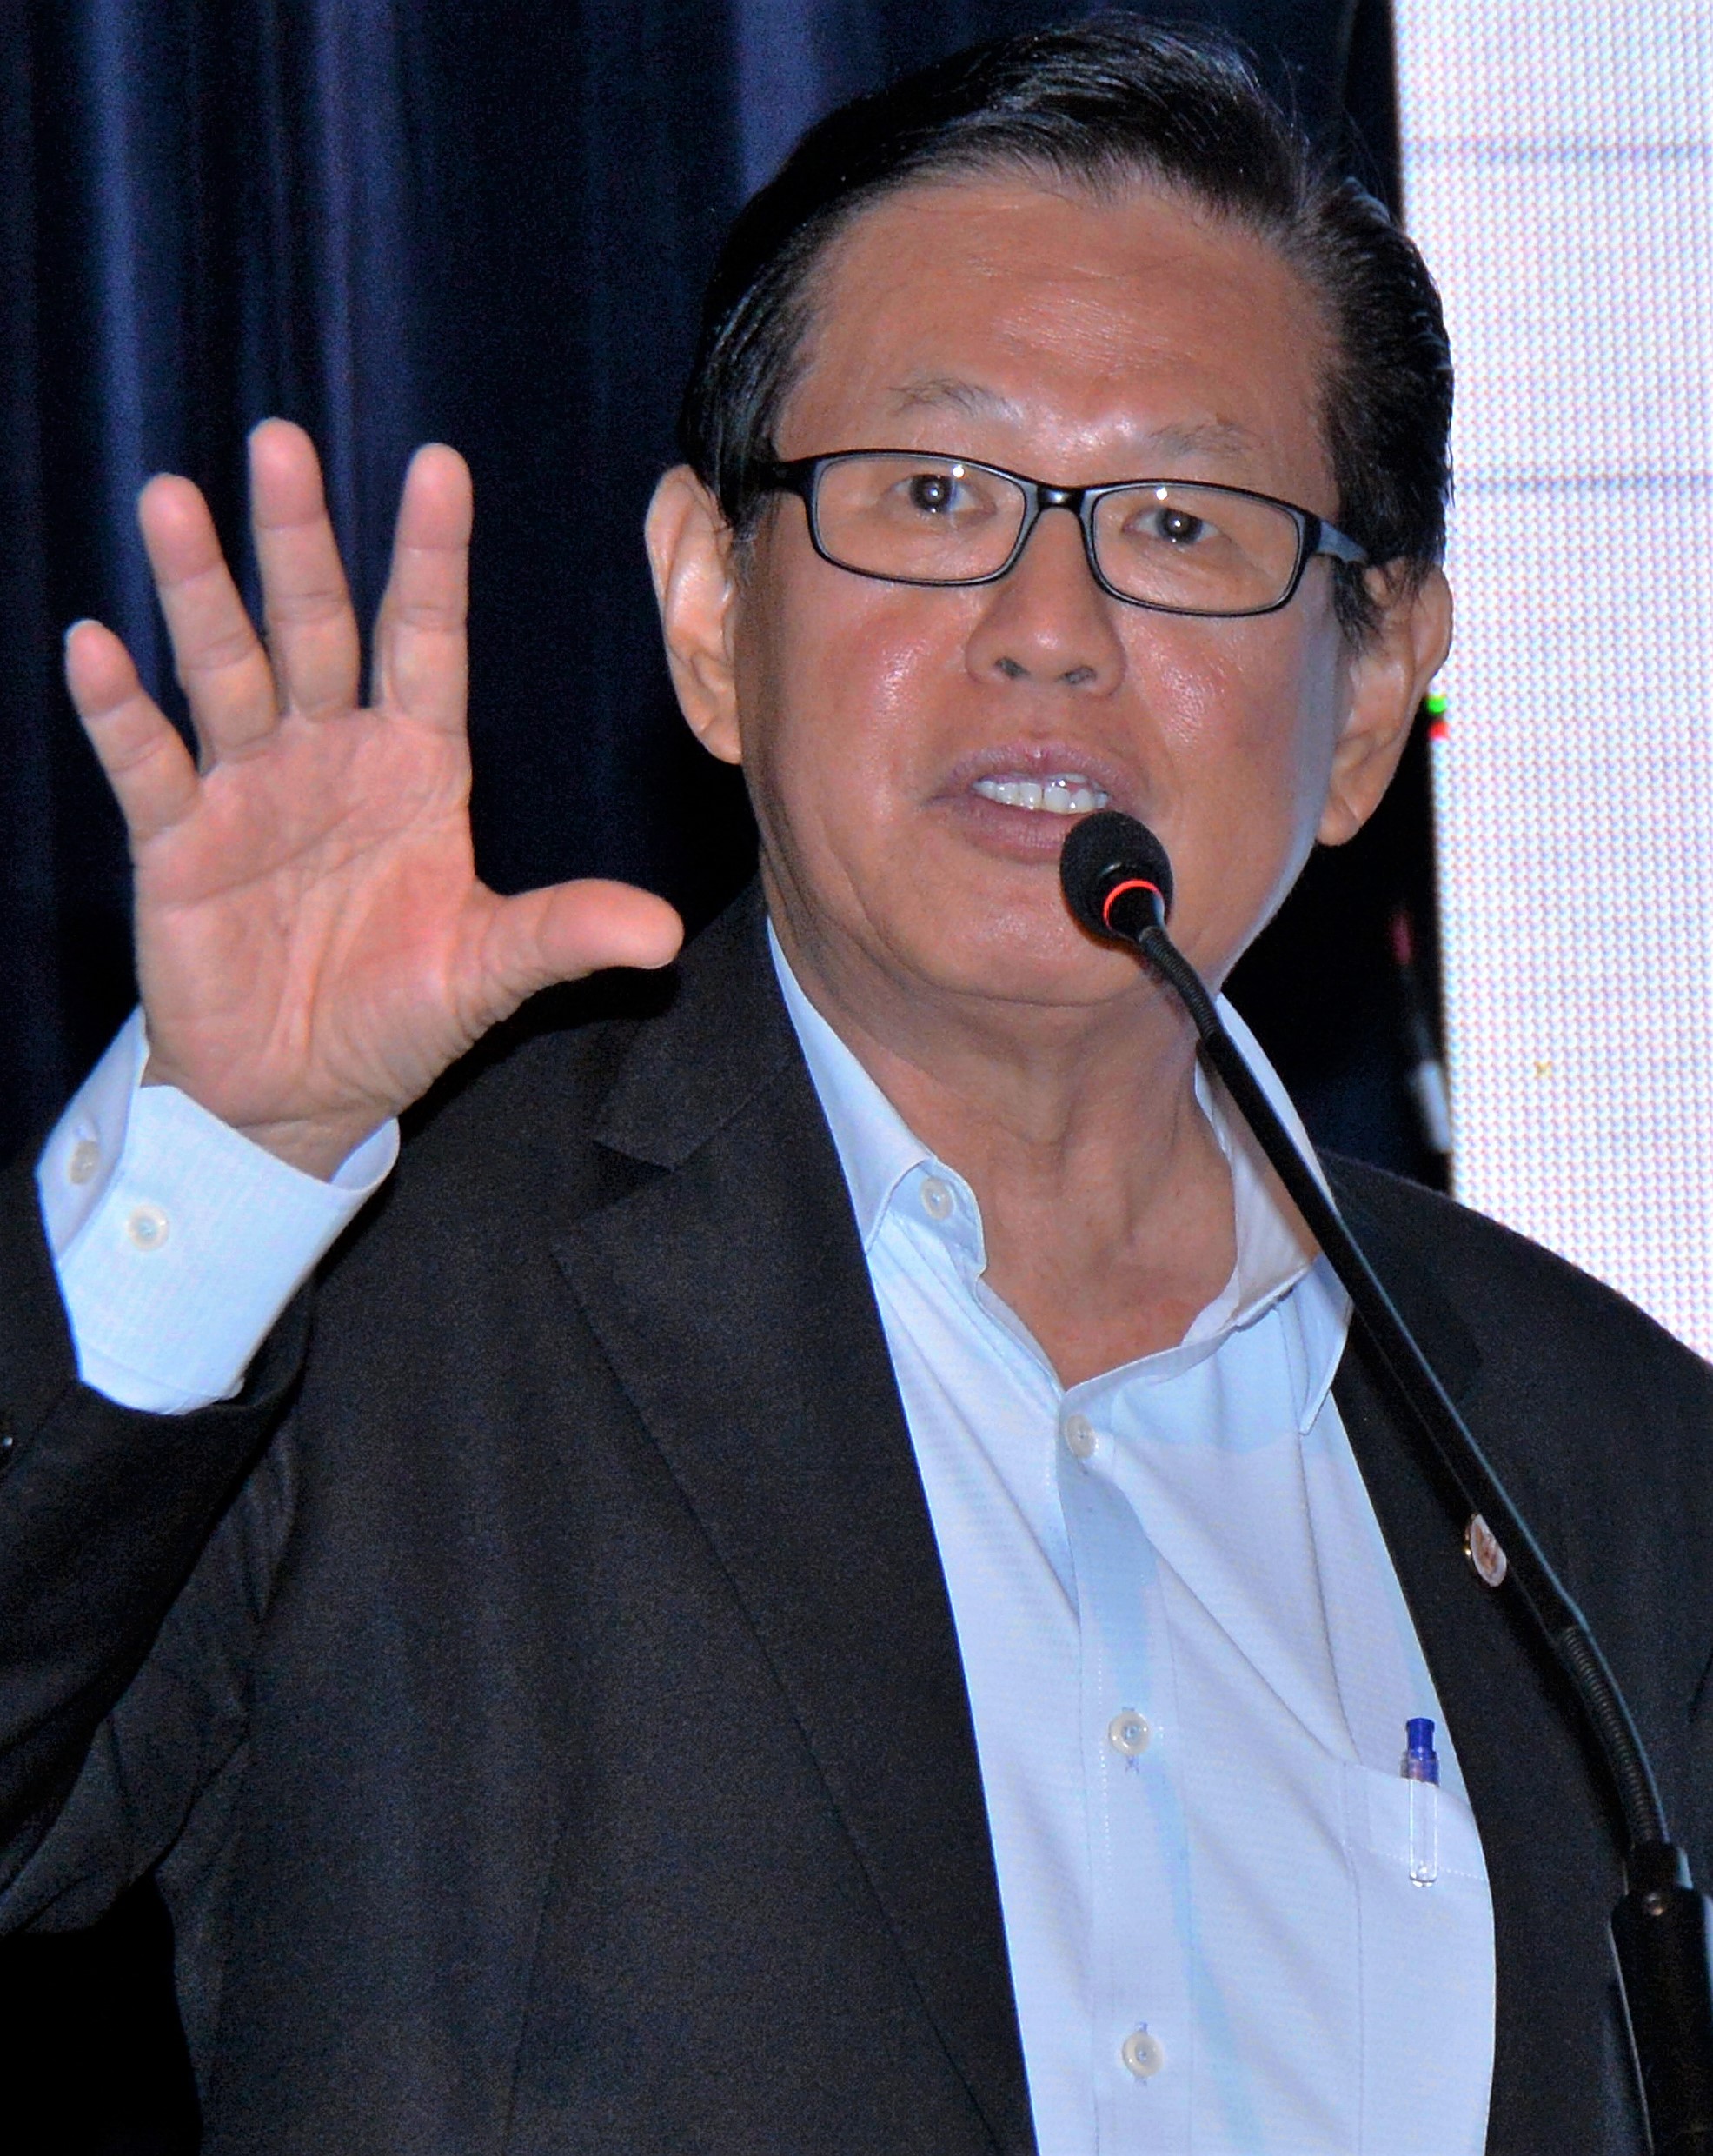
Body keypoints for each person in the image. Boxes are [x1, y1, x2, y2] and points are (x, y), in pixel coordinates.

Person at [3, 20, 1709, 2155]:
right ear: (712, 614)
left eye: (1179, 521)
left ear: (1364, 696)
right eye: (931, 495)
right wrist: (221, 1164)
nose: (1047, 628)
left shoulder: (1606, 1467)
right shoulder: (377, 1314)